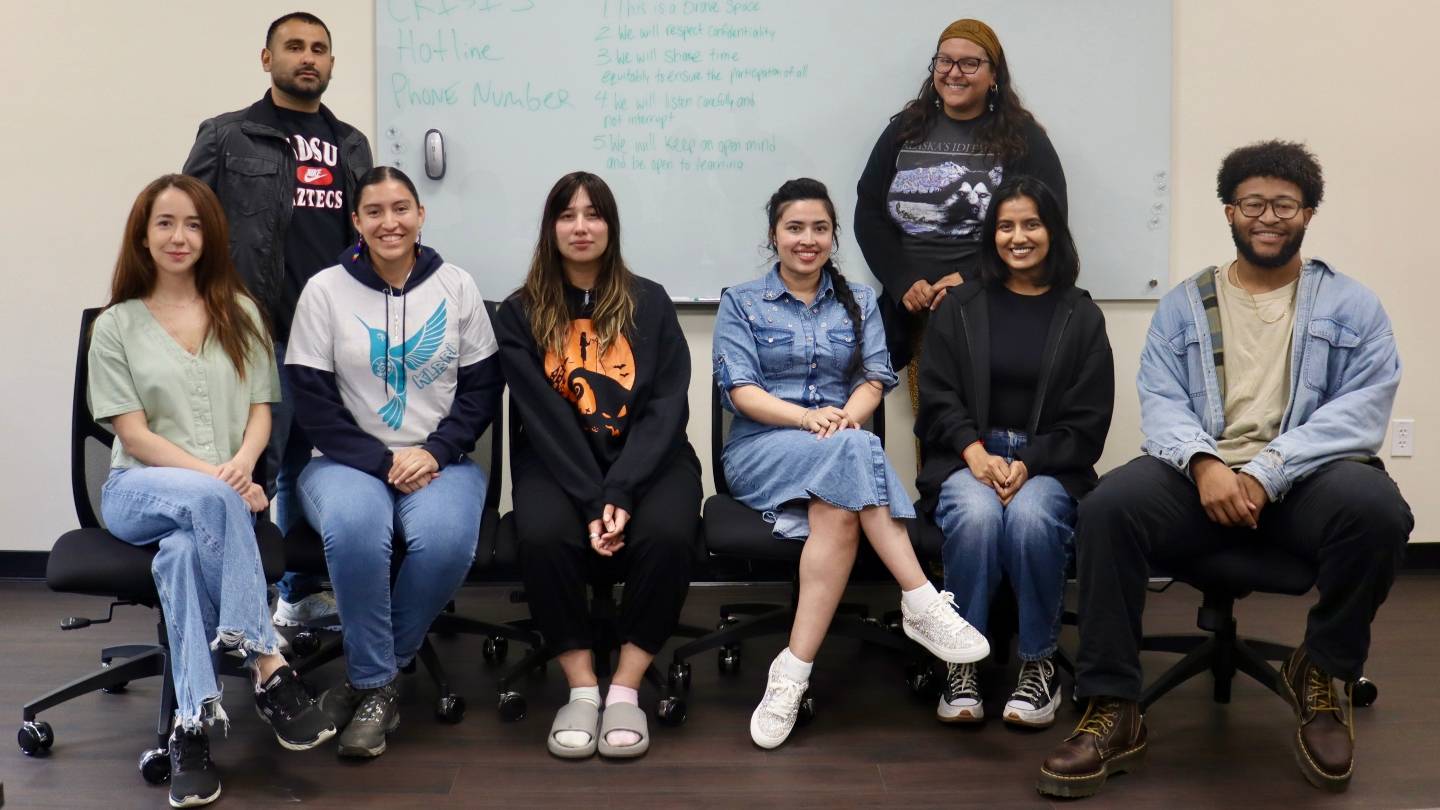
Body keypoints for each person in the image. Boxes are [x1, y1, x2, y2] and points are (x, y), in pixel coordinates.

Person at [1037, 141, 1412, 798]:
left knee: (1378, 510)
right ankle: (1113, 706)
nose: (1268, 217)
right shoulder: (1185, 305)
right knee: (1108, 508)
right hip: (1199, 478)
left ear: (1308, 213)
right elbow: (1161, 399)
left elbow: (1360, 413)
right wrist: (1207, 463)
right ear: (1230, 211)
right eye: (1253, 203)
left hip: (1305, 483)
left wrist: (1268, 470)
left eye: (1284, 205)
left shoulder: (1353, 307)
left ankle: (1322, 673)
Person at [713, 177, 990, 751]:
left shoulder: (859, 299)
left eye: (819, 228)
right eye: (795, 228)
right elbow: (740, 391)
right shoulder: (740, 301)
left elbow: (875, 379)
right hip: (762, 448)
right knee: (857, 447)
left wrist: (841, 418)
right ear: (774, 236)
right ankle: (920, 599)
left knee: (845, 482)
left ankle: (791, 673)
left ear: (833, 236)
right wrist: (807, 419)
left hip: (837, 445)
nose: (807, 240)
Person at [88, 175, 335, 808]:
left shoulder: (242, 312)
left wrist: (246, 466)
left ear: (211, 234)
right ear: (143, 235)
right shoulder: (116, 326)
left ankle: (190, 727)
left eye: (193, 224)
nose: (179, 237)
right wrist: (223, 484)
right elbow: (135, 437)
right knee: (207, 505)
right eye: (165, 223)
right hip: (136, 493)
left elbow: (261, 413)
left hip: (218, 497)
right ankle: (267, 666)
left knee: (179, 556)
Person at [286, 167, 502, 758]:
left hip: (442, 463)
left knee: (448, 542)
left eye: (401, 208)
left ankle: (366, 678)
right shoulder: (324, 290)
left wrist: (433, 451)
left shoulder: (456, 285)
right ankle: (381, 687)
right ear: (356, 221)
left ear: (421, 215)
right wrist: (383, 463)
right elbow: (312, 402)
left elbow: (482, 390)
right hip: (342, 463)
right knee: (357, 530)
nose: (390, 222)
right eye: (375, 211)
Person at [495, 171, 701, 760]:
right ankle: (582, 686)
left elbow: (666, 407)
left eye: (594, 214)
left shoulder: (651, 302)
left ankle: (626, 688)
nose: (581, 227)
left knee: (665, 533)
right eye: (567, 215)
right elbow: (545, 418)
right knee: (540, 535)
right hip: (559, 463)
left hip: (650, 461)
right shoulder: (519, 313)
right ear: (550, 228)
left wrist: (624, 490)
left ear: (611, 226)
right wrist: (594, 500)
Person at [183, 11, 374, 628]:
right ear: (267, 59)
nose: (307, 57)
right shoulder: (227, 136)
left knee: (302, 465)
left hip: (330, 337)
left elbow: (366, 238)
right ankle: (242, 606)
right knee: (250, 469)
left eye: (319, 48)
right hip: (253, 334)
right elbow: (188, 227)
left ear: (331, 63)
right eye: (293, 47)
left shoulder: (350, 144)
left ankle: (296, 592)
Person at [916, 176, 1113, 728]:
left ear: (1052, 231)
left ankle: (1038, 664)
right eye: (1006, 226)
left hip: (1050, 463)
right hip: (965, 456)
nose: (1018, 237)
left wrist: (1032, 461)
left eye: (1031, 224)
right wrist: (974, 452)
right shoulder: (958, 306)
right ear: (991, 233)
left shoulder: (1081, 315)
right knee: (976, 516)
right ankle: (963, 663)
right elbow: (936, 396)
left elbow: (1089, 421)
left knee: (1030, 519)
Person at [855, 17, 1067, 405]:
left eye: (970, 63)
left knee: (987, 420)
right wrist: (904, 281)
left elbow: (1048, 226)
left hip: (993, 305)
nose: (954, 73)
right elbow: (868, 211)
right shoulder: (904, 129)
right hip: (914, 311)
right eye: (944, 61)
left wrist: (972, 278)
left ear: (993, 74)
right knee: (933, 425)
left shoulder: (1025, 139)